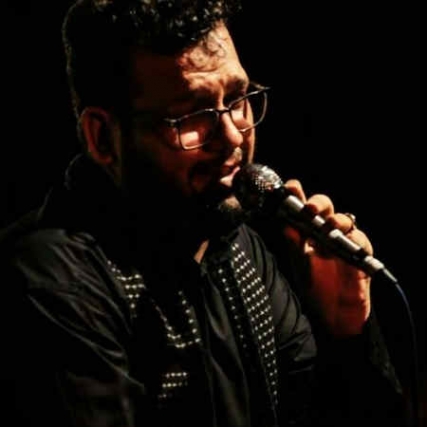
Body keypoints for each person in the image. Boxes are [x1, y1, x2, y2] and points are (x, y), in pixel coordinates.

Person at [0, 1, 408, 426]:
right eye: (192, 114)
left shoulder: (239, 248)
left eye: (237, 99)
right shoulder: (50, 283)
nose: (233, 136)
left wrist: (346, 331)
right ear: (102, 137)